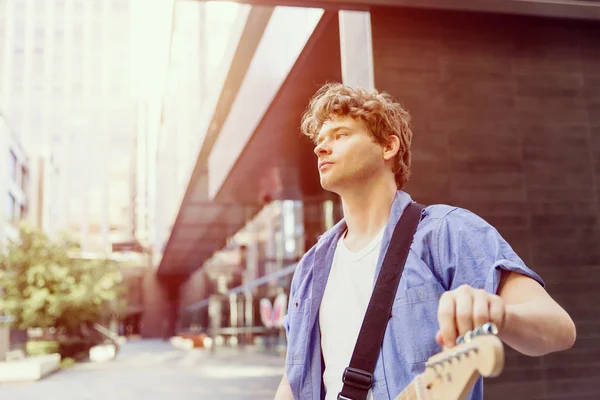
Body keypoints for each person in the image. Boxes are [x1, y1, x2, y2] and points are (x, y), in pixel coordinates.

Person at [274, 83, 576, 400]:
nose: (320, 148)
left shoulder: (446, 232)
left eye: (340, 135)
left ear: (387, 147)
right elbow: (290, 382)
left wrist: (498, 312)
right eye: (320, 140)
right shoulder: (310, 266)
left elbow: (559, 329)